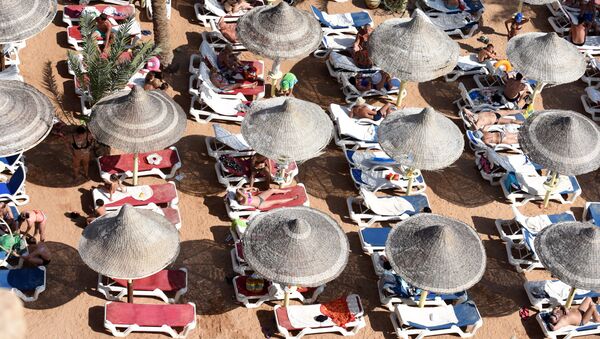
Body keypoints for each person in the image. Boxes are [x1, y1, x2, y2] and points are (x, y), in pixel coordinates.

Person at [235, 187, 300, 209]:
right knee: (277, 201)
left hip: (259, 197)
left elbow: (244, 189)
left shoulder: (243, 194)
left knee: (271, 190)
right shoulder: (242, 201)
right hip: (261, 204)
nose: (243, 192)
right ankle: (292, 198)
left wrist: (252, 188)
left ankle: (284, 191)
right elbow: (245, 197)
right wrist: (240, 191)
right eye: (242, 193)